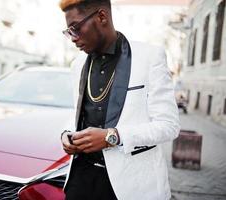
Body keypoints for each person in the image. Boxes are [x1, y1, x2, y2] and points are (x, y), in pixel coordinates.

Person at [59, 0, 180, 199]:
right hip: (81, 179)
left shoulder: (149, 57)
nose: (72, 38)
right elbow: (77, 114)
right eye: (68, 32)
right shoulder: (77, 64)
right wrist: (66, 134)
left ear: (102, 17)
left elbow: (169, 126)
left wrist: (112, 137)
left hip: (130, 186)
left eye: (76, 28)